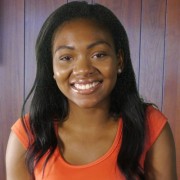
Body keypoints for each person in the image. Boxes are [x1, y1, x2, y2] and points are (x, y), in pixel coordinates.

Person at [6, 1, 177, 180]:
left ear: (119, 61)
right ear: (51, 68)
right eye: (66, 57)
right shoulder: (27, 135)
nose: (83, 69)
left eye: (99, 55)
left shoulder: (151, 126)